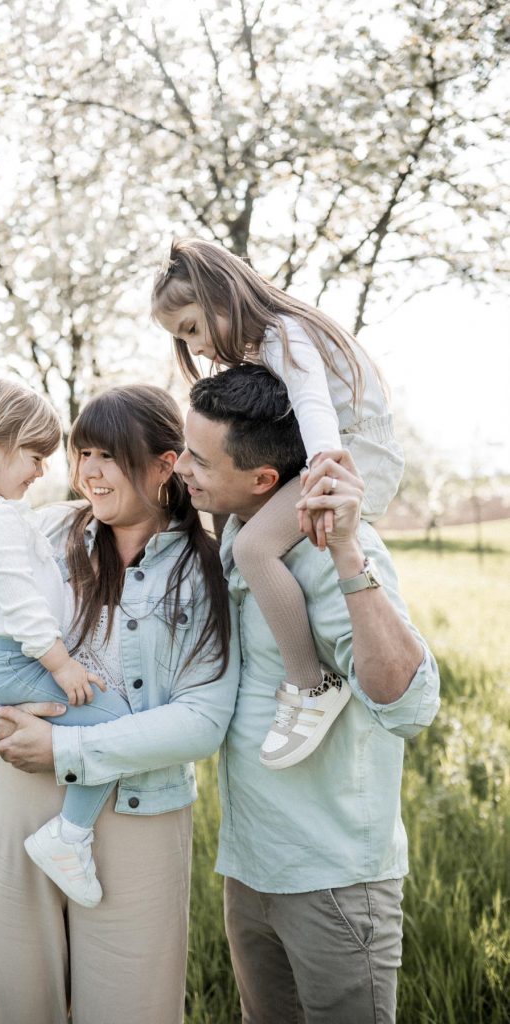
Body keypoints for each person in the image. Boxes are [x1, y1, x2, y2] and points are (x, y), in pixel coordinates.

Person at [0, 383, 240, 1024]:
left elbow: (203, 719)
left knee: (131, 1007)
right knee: (20, 1001)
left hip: (137, 805)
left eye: (108, 456)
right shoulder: (42, 529)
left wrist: (67, 746)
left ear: (163, 464)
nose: (87, 472)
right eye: (80, 452)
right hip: (23, 787)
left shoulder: (205, 568)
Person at [174, 363, 440, 1023]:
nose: (182, 467)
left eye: (199, 460)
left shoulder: (327, 550)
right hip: (251, 865)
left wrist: (350, 554)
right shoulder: (239, 536)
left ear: (264, 479)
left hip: (333, 880)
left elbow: (411, 706)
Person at [152, 237, 405, 769]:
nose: (195, 347)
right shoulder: (268, 341)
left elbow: (314, 407)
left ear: (223, 295)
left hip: (352, 458)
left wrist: (324, 475)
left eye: (193, 328)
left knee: (256, 549)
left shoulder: (284, 334)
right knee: (227, 512)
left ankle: (311, 683)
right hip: (333, 452)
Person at [0, 377, 136, 908]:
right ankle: (70, 837)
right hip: (15, 657)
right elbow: (23, 611)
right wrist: (62, 667)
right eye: (36, 457)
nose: (43, 471)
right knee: (112, 724)